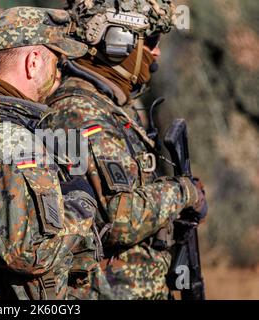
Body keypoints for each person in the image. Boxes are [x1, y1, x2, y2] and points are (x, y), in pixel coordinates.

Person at [0, 6, 112, 300]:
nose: (58, 75)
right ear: (33, 62)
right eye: (56, 62)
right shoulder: (4, 137)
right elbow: (27, 253)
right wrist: (81, 202)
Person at [44, 0, 208, 299]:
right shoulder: (80, 112)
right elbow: (119, 219)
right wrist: (183, 193)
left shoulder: (109, 106)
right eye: (152, 41)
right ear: (118, 42)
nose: (156, 52)